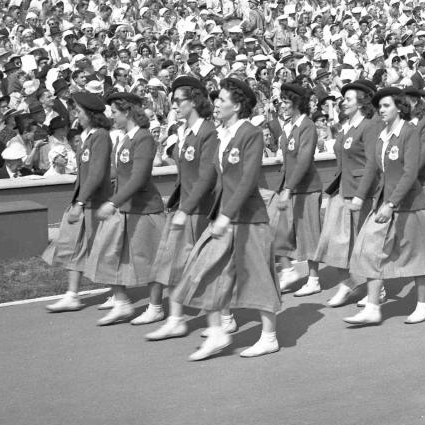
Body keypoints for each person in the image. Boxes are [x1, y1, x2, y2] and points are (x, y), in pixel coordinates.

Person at [172, 77, 282, 360]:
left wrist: (227, 215)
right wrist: (187, 209)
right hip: (223, 216)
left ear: (237, 105)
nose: (216, 104)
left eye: (221, 99)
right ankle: (218, 332)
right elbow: (212, 175)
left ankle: (269, 337)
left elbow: (247, 180)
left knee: (258, 277)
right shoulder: (222, 134)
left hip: (248, 218)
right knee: (206, 270)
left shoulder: (250, 133)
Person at [343, 87, 425, 326]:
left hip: (409, 204)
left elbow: (410, 172)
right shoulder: (382, 134)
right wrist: (360, 197)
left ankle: (424, 306)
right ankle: (372, 307)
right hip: (383, 201)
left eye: (386, 106)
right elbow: (372, 166)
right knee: (369, 249)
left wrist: (391, 204)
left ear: (399, 107)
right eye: (379, 106)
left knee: (417, 256)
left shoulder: (409, 132)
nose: (381, 110)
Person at [145, 76, 223, 341]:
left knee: (205, 267)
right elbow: (184, 176)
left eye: (179, 101)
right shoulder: (185, 133)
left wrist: (186, 209)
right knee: (175, 264)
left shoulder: (208, 132)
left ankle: (225, 317)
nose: (174, 105)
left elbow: (207, 177)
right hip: (185, 208)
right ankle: (176, 319)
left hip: (199, 210)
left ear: (195, 101)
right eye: (173, 101)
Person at [82, 92, 166, 326]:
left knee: (151, 260)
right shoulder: (123, 139)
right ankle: (121, 302)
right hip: (124, 207)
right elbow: (119, 174)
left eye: (115, 112)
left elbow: (138, 178)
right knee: (105, 253)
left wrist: (112, 202)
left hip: (144, 209)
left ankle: (156, 307)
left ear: (128, 112)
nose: (111, 116)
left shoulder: (144, 138)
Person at [312, 79, 381, 307]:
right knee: (336, 242)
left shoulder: (370, 125)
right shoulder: (347, 127)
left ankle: (377, 289)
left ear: (362, 103)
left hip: (362, 193)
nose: (343, 103)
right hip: (342, 191)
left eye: (348, 99)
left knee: (366, 245)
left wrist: (361, 195)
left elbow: (372, 163)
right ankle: (349, 282)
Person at [43, 92, 113, 312]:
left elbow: (97, 173)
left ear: (91, 114)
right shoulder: (86, 136)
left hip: (95, 202)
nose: (76, 115)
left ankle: (117, 293)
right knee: (75, 246)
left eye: (79, 111)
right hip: (84, 200)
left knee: (102, 247)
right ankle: (72, 294)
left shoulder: (100, 136)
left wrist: (80, 202)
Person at [272, 82, 324, 295]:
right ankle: (288, 270)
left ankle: (314, 279)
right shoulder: (289, 127)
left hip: (306, 188)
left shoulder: (307, 126)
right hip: (290, 187)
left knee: (309, 233)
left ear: (296, 103)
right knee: (278, 229)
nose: (282, 106)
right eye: (281, 102)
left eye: (285, 102)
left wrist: (289, 188)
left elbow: (303, 160)